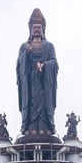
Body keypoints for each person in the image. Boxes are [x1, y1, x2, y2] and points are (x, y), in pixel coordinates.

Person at [16, 8, 58, 138]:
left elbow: (55, 62)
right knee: (31, 104)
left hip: (44, 82)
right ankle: (30, 128)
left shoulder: (49, 46)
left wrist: (45, 65)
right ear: (30, 29)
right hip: (30, 83)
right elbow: (19, 66)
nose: (37, 29)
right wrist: (26, 54)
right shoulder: (24, 46)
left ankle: (46, 128)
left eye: (39, 27)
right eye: (34, 27)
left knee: (44, 105)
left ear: (43, 29)